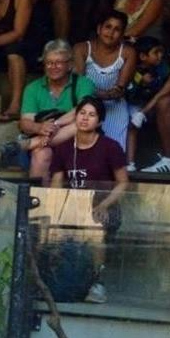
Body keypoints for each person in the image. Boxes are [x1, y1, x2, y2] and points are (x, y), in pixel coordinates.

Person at [46, 95, 128, 304]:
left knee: (96, 227)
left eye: (92, 115)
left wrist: (103, 205)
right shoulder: (63, 149)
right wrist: (54, 213)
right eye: (82, 113)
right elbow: (56, 183)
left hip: (103, 206)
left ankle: (97, 283)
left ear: (99, 121)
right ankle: (53, 280)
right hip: (73, 207)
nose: (85, 118)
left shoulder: (111, 147)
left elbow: (123, 183)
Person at [19, 38, 95, 180]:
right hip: (45, 137)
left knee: (83, 121)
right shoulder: (33, 88)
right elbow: (25, 122)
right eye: (49, 63)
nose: (53, 67)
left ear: (70, 64)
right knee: (41, 154)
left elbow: (82, 111)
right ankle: (38, 200)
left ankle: (30, 143)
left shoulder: (84, 84)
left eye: (59, 62)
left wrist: (54, 125)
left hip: (77, 140)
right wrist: (39, 127)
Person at [75, 10, 137, 148]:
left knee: (114, 150)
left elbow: (119, 90)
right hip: (85, 106)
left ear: (122, 34)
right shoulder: (82, 48)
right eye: (108, 27)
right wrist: (104, 94)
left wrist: (93, 92)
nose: (111, 32)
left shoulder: (128, 52)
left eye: (117, 29)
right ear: (99, 28)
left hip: (114, 107)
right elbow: (78, 85)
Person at [125, 34, 170, 169]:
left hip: (152, 106)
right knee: (132, 125)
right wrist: (140, 81)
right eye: (156, 52)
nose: (160, 55)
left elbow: (166, 89)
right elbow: (131, 94)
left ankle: (167, 160)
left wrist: (143, 112)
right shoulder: (133, 67)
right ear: (143, 56)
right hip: (134, 103)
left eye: (161, 52)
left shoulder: (162, 67)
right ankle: (130, 164)